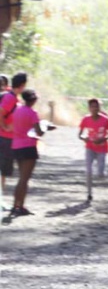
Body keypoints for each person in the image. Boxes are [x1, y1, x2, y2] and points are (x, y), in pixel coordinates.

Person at [9, 89, 55, 217]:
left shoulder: (17, 110)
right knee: (24, 179)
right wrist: (47, 127)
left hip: (16, 146)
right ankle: (19, 206)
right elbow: (39, 132)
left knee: (21, 178)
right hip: (28, 146)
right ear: (33, 100)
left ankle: (16, 205)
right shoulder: (32, 113)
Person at [78, 98, 108, 202]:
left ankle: (102, 171)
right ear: (89, 108)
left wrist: (104, 139)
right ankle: (89, 193)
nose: (94, 108)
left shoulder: (105, 119)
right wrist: (84, 138)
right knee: (88, 171)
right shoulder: (86, 119)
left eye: (96, 106)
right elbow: (80, 134)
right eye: (92, 106)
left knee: (100, 175)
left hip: (102, 148)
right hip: (90, 147)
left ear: (99, 108)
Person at [0, 72, 27, 210]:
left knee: (3, 171)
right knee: (2, 171)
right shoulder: (10, 98)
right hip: (4, 138)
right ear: (22, 85)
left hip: (9, 138)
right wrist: (4, 126)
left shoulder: (13, 97)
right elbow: (1, 112)